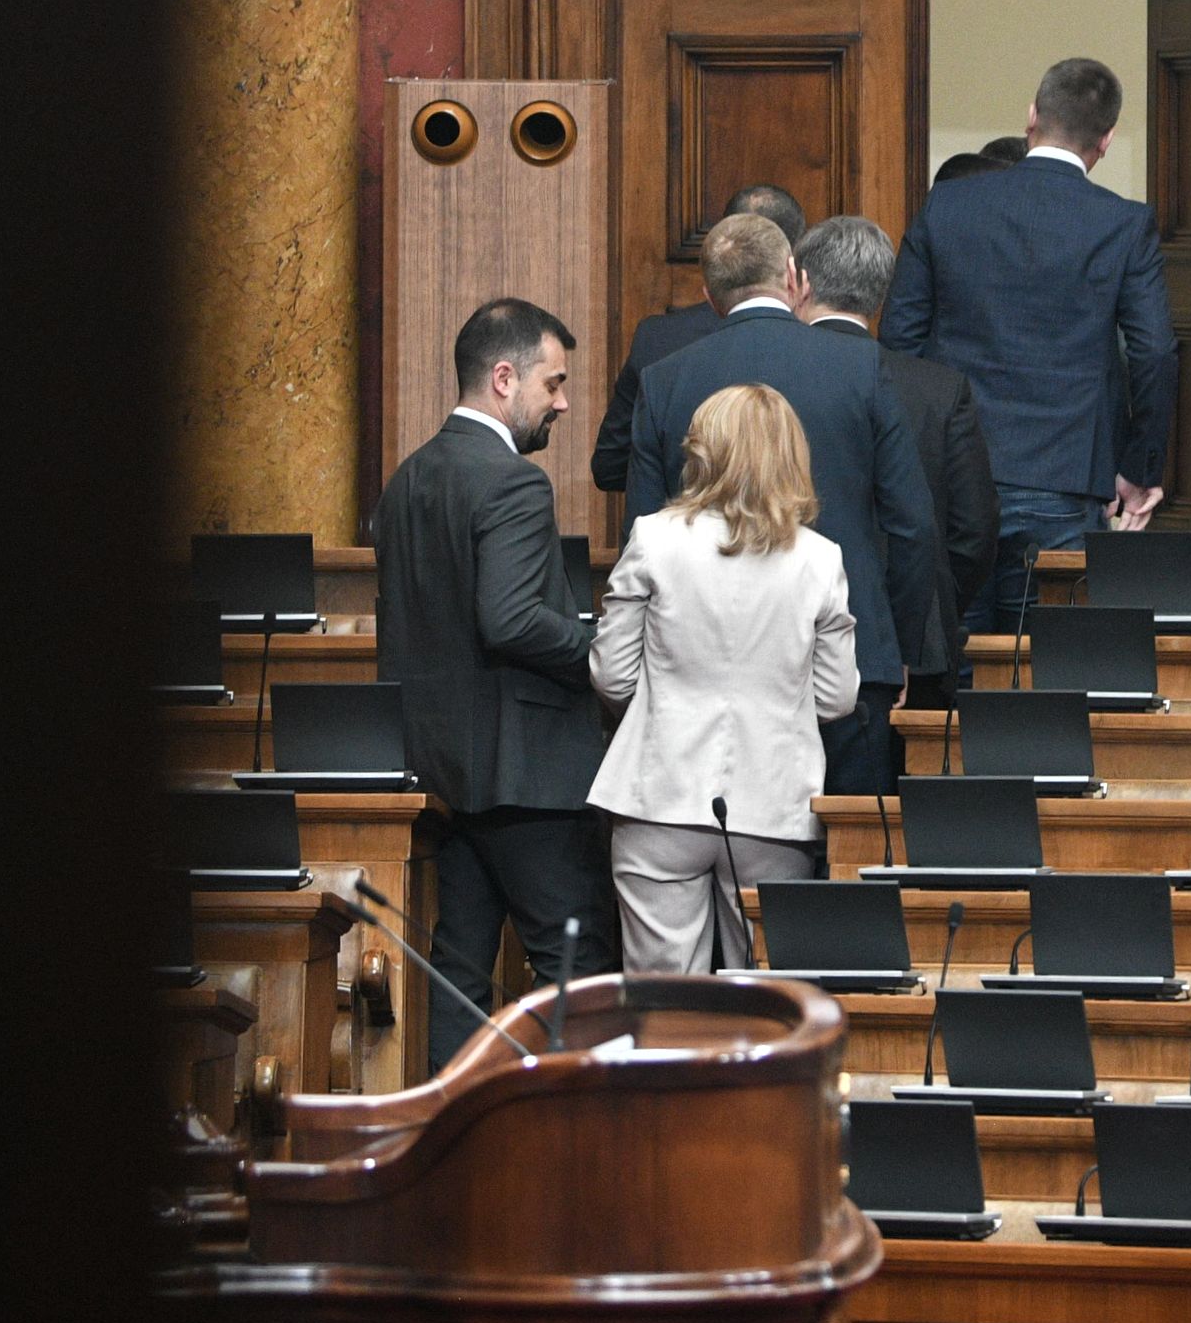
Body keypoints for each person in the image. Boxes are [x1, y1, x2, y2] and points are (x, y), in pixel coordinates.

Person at [633, 211, 946, 797]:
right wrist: (894, 643)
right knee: (846, 865)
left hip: (704, 668)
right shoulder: (860, 366)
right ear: (794, 276)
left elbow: (644, 536)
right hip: (848, 655)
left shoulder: (664, 380)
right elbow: (913, 525)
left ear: (708, 295)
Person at [372, 296, 611, 1051]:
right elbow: (508, 618)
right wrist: (598, 650)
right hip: (527, 774)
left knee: (460, 970)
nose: (563, 402)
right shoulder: (513, 481)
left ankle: (459, 1139)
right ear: (504, 378)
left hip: (442, 766)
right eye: (554, 383)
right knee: (581, 966)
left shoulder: (407, 479)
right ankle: (561, 1149)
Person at [883, 56, 1179, 633]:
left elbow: (898, 340)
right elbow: (1154, 352)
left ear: (1031, 117)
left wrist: (906, 457)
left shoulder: (949, 205)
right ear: (1108, 139)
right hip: (1065, 479)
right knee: (1044, 667)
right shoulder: (1123, 224)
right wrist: (1138, 469)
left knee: (954, 661)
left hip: (952, 472)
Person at [586, 381, 860, 970]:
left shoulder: (654, 539)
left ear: (703, 452)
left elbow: (611, 674)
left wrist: (664, 708)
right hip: (775, 805)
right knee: (762, 1006)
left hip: (656, 793)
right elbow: (837, 700)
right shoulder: (822, 558)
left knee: (663, 1004)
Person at [794, 212, 1001, 691]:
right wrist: (930, 602)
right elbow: (974, 529)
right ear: (882, 294)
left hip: (790, 635)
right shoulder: (939, 389)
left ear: (799, 283)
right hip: (915, 643)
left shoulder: (772, 378)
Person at [585, 182, 804, 503]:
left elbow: (612, 465)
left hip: (681, 542)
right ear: (792, 266)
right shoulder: (834, 352)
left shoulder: (657, 341)